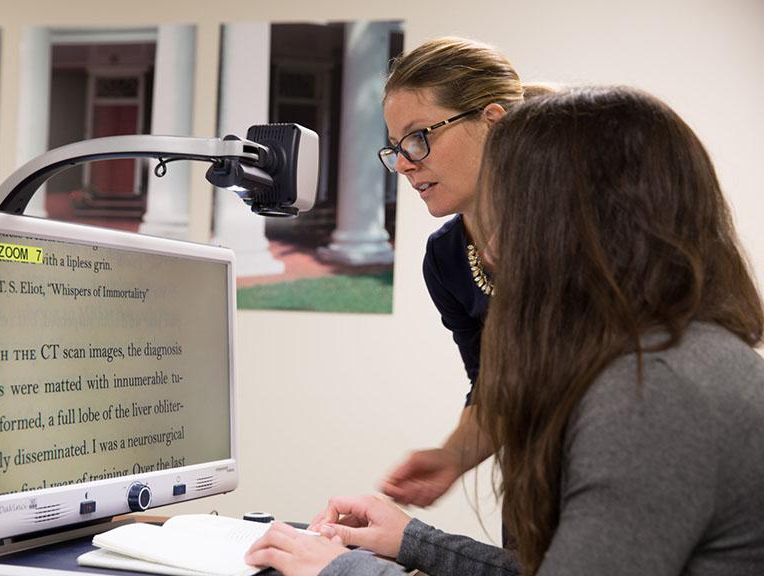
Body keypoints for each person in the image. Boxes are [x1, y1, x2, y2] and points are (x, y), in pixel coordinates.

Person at [245, 86, 764, 575]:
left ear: (591, 226)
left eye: (513, 215)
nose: (489, 252)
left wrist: (340, 568)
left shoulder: (655, 393)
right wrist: (410, 540)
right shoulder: (675, 360)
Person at [376, 36, 542, 509]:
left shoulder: (576, 230)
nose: (405, 164)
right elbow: (493, 385)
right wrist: (453, 456)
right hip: (534, 487)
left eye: (418, 137)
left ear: (492, 121)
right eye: (395, 148)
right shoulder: (446, 257)